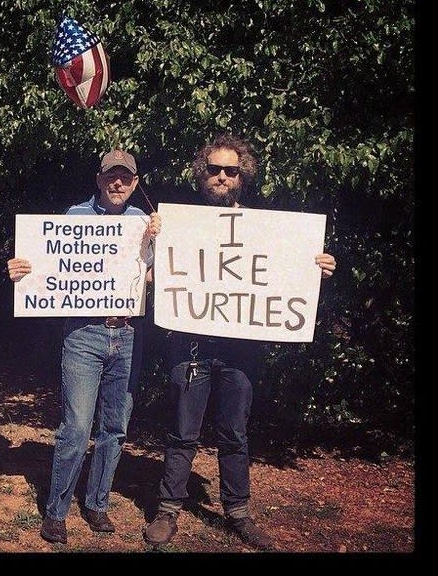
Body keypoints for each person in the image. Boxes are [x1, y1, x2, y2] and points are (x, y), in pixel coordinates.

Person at [143, 133, 336, 551]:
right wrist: (151, 240)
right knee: (182, 432)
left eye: (231, 170)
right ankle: (168, 509)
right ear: (202, 173)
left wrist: (313, 267)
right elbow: (152, 277)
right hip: (190, 346)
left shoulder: (266, 230)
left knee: (234, 433)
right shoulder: (179, 224)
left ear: (242, 175)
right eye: (214, 169)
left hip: (240, 350)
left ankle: (238, 512)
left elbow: (285, 274)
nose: (222, 177)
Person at [8, 149, 161, 545]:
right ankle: (56, 513)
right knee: (76, 428)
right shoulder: (75, 217)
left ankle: (96, 504)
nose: (117, 183)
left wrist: (163, 244)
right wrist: (20, 269)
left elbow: (166, 276)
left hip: (128, 335)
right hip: (84, 334)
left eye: (125, 178)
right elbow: (45, 263)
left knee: (114, 427)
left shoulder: (144, 223)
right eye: (111, 176)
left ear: (135, 183)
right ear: (99, 179)